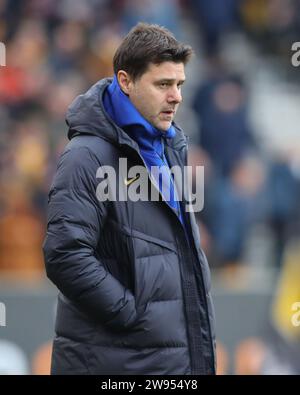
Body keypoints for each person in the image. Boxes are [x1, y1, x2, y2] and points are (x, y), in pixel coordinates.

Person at [43, 22, 216, 375]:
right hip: (119, 363)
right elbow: (64, 254)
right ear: (125, 81)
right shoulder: (85, 155)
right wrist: (132, 314)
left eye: (179, 84)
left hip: (172, 363)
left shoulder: (171, 148)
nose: (176, 96)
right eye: (163, 84)